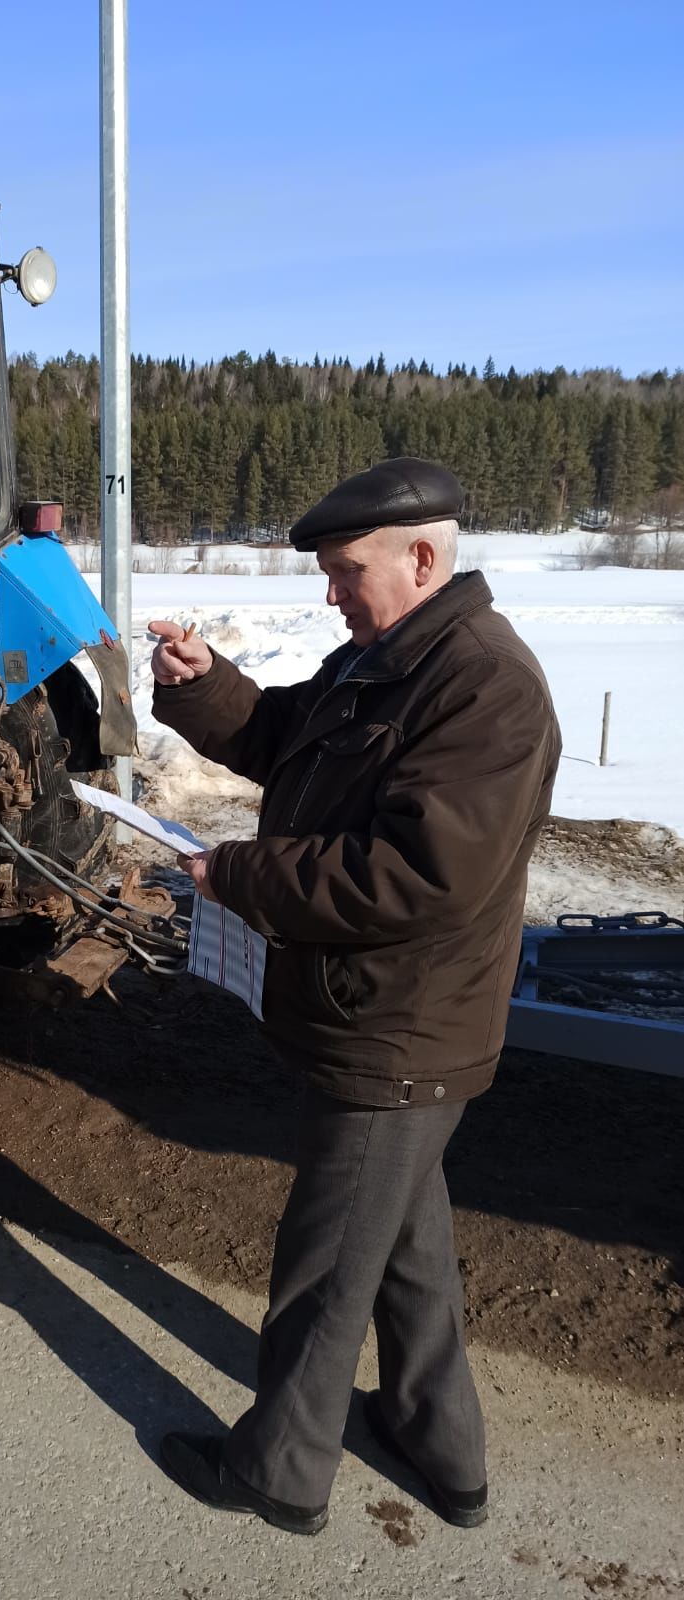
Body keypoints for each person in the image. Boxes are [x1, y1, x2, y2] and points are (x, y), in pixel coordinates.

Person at [148, 457, 561, 1536]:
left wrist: (237, 873)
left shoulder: (485, 685)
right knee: (405, 1241)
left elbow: (416, 875)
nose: (329, 593)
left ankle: (279, 1471)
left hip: (399, 1025)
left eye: (345, 570)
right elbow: (285, 737)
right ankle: (438, 1441)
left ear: (422, 558)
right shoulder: (386, 656)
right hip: (371, 1012)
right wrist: (203, 682)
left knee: (327, 1266)